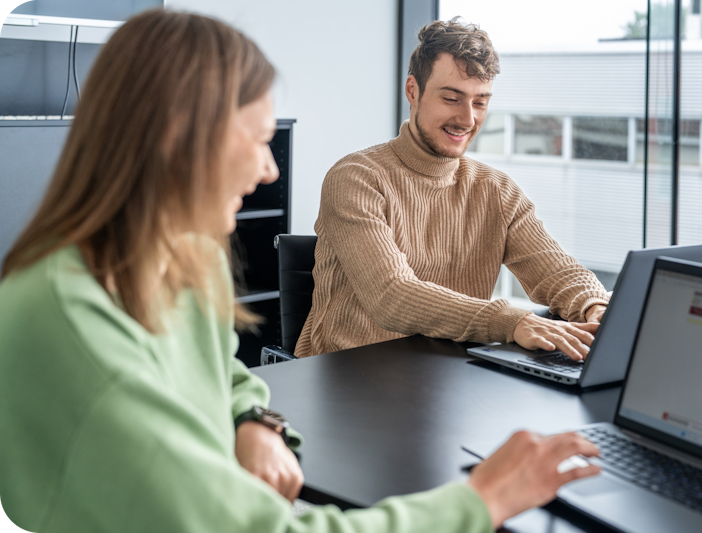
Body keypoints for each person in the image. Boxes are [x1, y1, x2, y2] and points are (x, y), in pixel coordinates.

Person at [0, 9, 601, 533]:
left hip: (434, 392)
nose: (268, 170)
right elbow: (392, 296)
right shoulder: (73, 322)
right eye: (257, 139)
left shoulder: (188, 255)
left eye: (481, 102)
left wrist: (252, 418)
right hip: (349, 399)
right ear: (179, 139)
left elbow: (220, 372)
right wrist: (482, 500)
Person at [295, 18, 611, 359]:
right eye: (451, 98)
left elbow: (555, 269)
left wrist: (594, 306)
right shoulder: (356, 177)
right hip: (346, 377)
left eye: (480, 102)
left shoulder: (496, 191)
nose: (468, 119)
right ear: (413, 91)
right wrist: (511, 321)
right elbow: (391, 295)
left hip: (447, 377)